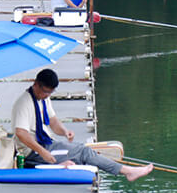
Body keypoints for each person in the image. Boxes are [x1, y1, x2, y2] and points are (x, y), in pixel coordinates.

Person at [12, 68, 153, 181]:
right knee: (83, 153)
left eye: (51, 92)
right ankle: (128, 172)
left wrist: (65, 131)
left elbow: (53, 121)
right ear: (36, 84)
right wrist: (43, 153)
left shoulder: (42, 98)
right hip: (33, 153)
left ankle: (60, 165)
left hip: (47, 145)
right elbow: (21, 133)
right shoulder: (23, 103)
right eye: (45, 92)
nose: (47, 95)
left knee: (80, 149)